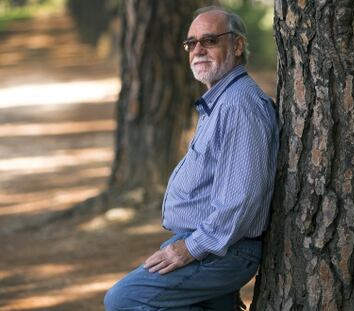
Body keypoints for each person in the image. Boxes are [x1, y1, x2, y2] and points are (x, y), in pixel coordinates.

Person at [104, 6, 279, 311]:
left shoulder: (239, 105)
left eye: (210, 40)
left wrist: (188, 249)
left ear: (237, 46)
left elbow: (241, 198)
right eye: (191, 43)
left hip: (221, 249)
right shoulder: (222, 101)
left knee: (124, 299)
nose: (198, 49)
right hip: (211, 244)